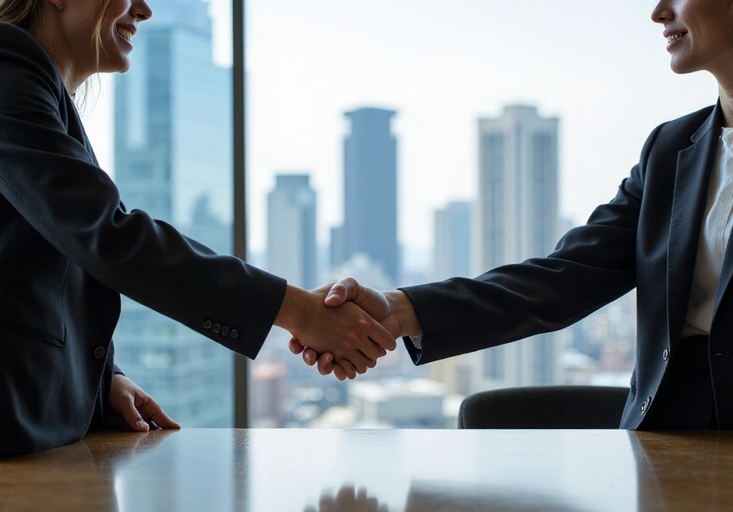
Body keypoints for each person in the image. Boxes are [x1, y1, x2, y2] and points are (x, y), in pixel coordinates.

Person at [0, 0, 396, 459]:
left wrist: (103, 379)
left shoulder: (33, 90)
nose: (144, 9)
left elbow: (30, 265)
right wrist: (297, 312)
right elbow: (108, 236)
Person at [293, 0, 733, 430]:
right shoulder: (671, 149)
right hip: (667, 441)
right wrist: (395, 310)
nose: (658, 12)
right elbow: (563, 278)